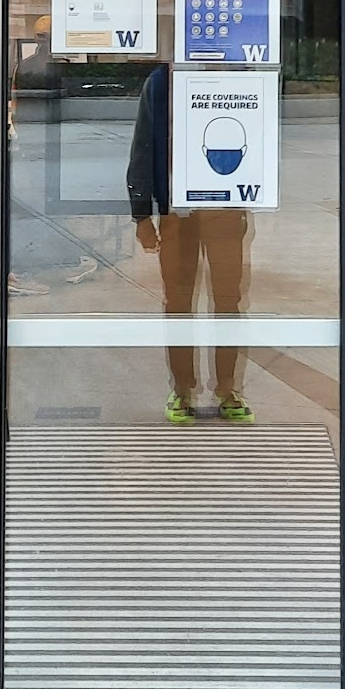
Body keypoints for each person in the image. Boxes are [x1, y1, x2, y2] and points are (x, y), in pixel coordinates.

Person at [127, 62, 254, 426]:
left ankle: (227, 389)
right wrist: (141, 214)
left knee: (228, 300)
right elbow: (143, 147)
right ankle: (182, 390)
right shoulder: (161, 82)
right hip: (176, 212)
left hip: (225, 208)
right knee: (178, 302)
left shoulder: (239, 78)